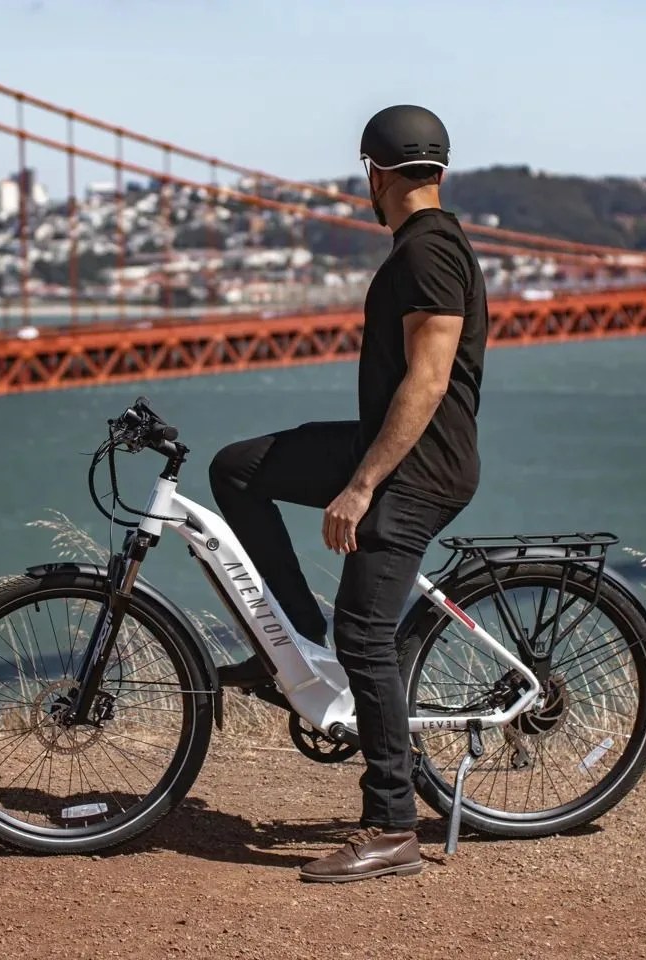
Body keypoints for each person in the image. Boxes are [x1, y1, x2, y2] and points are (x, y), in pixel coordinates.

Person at [208, 104, 489, 882]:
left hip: (418, 468)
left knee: (366, 632)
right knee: (237, 469)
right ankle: (294, 650)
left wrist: (361, 486)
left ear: (374, 173)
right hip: (390, 447)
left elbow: (429, 380)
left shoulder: (428, 253)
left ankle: (392, 825)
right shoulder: (427, 244)